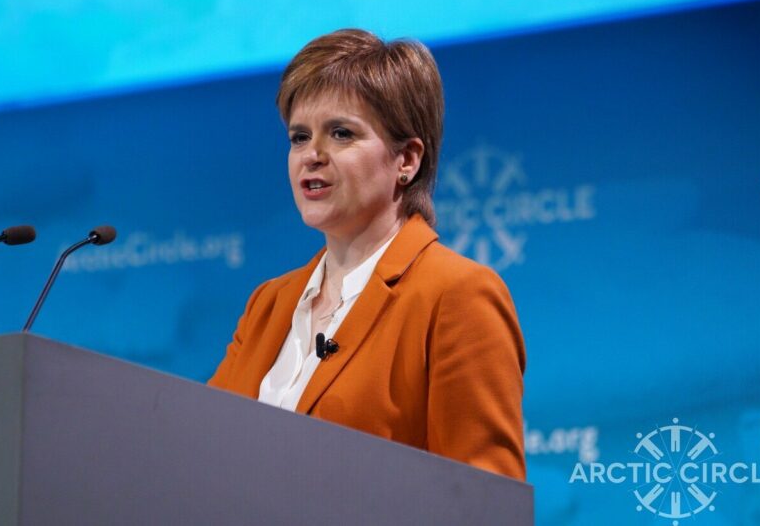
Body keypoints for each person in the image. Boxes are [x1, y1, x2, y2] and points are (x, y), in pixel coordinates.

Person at [208, 29, 526, 481]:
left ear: (407, 160)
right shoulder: (269, 304)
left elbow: (487, 499)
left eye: (340, 133)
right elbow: (200, 449)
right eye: (299, 137)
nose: (312, 156)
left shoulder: (457, 296)